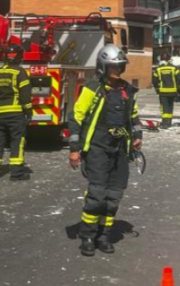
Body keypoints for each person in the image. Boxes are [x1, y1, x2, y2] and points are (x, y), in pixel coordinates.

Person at [69, 44, 143, 257]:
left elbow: (133, 117)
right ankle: (88, 236)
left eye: (120, 66)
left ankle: (104, 236)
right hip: (97, 148)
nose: (118, 70)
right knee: (97, 195)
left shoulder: (127, 90)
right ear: (103, 67)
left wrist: (137, 136)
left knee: (114, 195)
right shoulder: (93, 88)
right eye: (113, 67)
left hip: (119, 149)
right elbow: (76, 117)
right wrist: (74, 149)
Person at [0, 43, 33, 181]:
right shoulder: (20, 72)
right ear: (20, 57)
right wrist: (28, 111)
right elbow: (25, 94)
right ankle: (16, 173)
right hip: (15, 114)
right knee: (17, 141)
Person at [151, 52, 180, 129]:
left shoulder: (158, 69)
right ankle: (169, 122)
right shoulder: (174, 68)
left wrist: (157, 89)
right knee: (170, 106)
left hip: (163, 92)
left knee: (164, 108)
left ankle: (165, 123)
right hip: (172, 91)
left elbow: (154, 81)